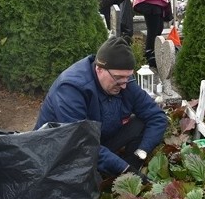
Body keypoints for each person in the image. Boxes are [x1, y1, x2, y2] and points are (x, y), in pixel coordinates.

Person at [34, 37, 168, 178]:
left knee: (139, 124)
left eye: (127, 77)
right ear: (99, 69)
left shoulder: (124, 81)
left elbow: (157, 116)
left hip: (97, 142)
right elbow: (81, 144)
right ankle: (119, 175)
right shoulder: (71, 88)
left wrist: (142, 151)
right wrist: (124, 169)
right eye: (118, 78)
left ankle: (124, 177)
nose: (124, 85)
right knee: (88, 188)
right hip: (59, 152)